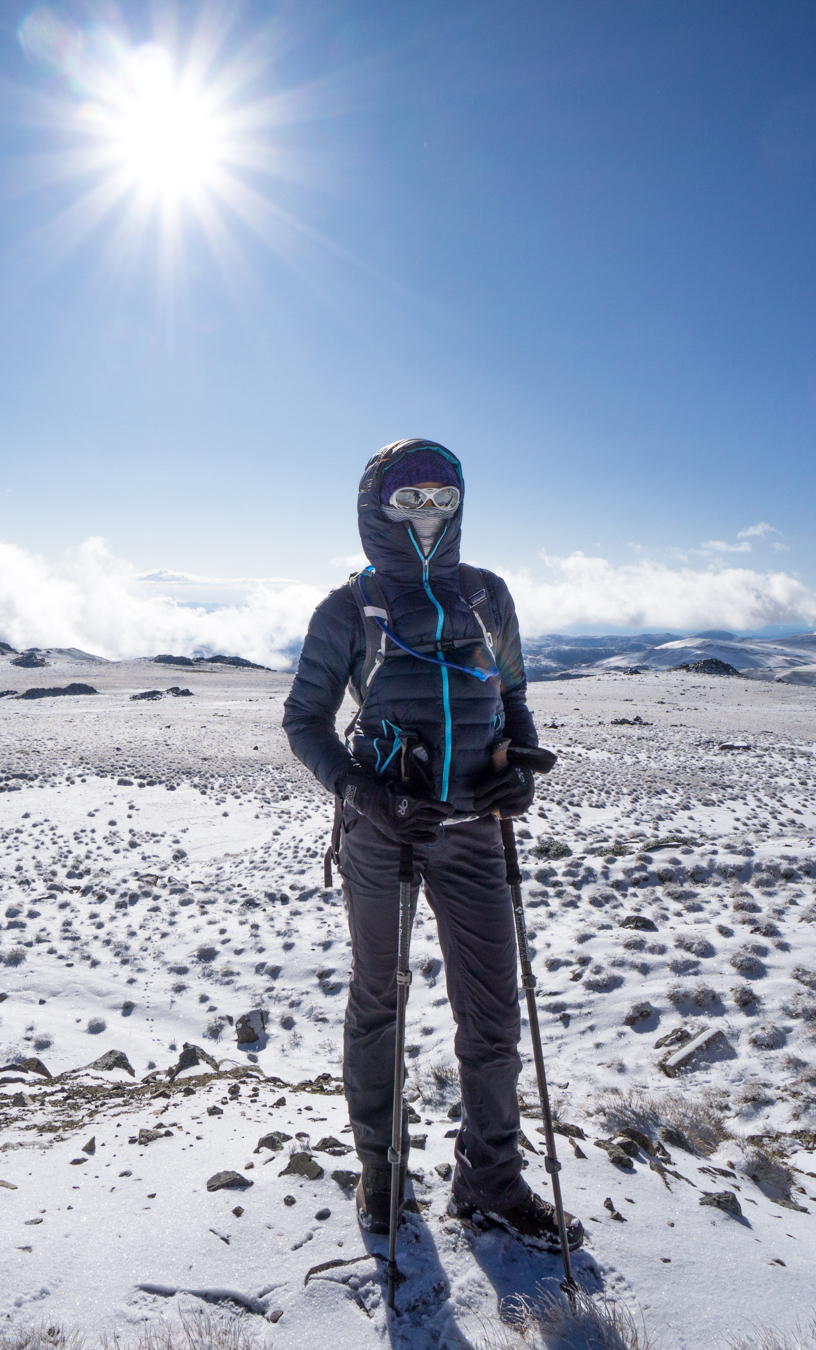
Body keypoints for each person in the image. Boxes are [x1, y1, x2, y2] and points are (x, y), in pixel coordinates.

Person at [282, 438, 582, 1252]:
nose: (427, 512)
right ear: (375, 507)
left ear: (460, 504)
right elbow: (305, 721)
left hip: (477, 831)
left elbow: (512, 696)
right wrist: (363, 793)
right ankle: (381, 1171)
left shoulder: (486, 594)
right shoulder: (349, 608)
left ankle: (491, 1182)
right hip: (383, 835)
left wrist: (519, 764)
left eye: (441, 497)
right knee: (380, 1000)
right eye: (408, 498)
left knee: (494, 1013)